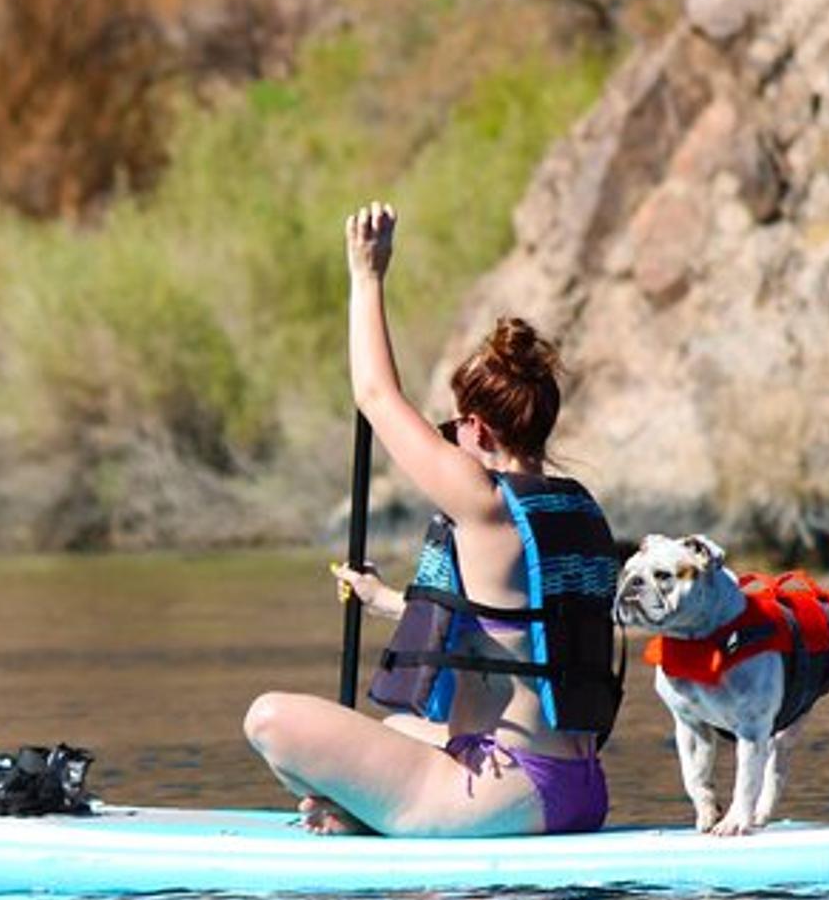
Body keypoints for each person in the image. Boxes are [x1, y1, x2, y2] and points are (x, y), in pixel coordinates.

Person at [243, 201, 623, 837]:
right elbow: (511, 622)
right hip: (582, 785)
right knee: (394, 729)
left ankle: (364, 816)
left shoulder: (483, 498)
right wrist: (386, 599)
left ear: (475, 427)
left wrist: (367, 275)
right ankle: (362, 810)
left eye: (453, 429)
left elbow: (374, 394)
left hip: (505, 790)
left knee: (269, 719)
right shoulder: (576, 504)